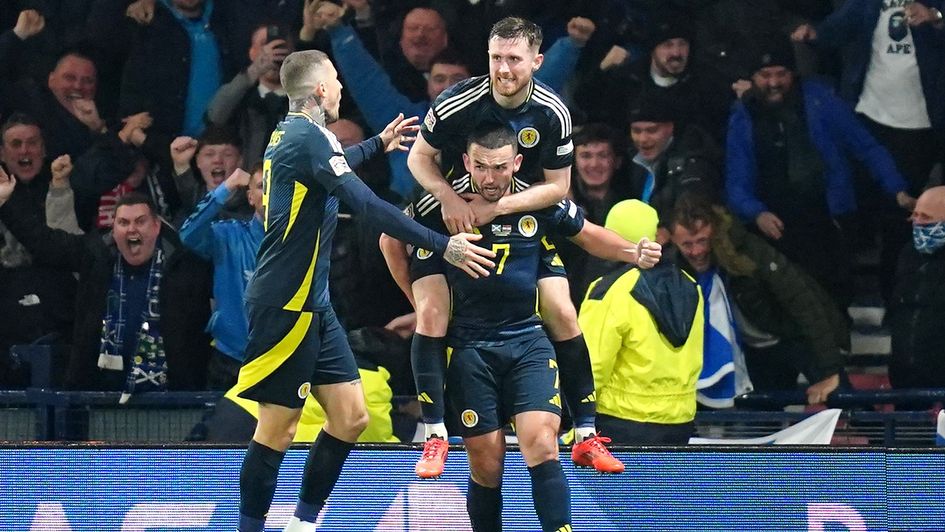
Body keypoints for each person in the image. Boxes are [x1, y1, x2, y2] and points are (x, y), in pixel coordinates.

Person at [235, 49, 494, 532]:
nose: (338, 87)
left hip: (314, 303)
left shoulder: (295, 135)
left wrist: (377, 143)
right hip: (285, 304)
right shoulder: (309, 140)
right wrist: (445, 246)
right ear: (318, 91)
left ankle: (302, 525)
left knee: (351, 417)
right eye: (334, 79)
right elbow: (369, 206)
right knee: (277, 428)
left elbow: (331, 169)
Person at [402, 124, 656, 531]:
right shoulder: (438, 200)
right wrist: (418, 300)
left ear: (516, 163)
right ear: (467, 162)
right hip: (469, 348)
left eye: (500, 167)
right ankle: (436, 437)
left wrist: (632, 252)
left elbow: (587, 235)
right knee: (487, 463)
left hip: (526, 341)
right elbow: (388, 239)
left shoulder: (535, 198)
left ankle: (580, 456)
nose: (490, 178)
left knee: (541, 442)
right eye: (481, 167)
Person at [401, 15, 625, 477]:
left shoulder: (553, 112)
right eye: (496, 58)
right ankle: (435, 434)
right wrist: (447, 199)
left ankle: (585, 434)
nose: (503, 69)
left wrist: (497, 209)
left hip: (520, 211)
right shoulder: (456, 102)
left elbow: (559, 188)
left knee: (563, 311)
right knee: (431, 315)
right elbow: (418, 159)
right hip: (452, 204)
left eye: (514, 59)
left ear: (537, 61)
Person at [726, 39, 914, 310]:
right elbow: (737, 181)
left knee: (833, 298)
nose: (774, 83)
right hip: (776, 227)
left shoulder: (822, 102)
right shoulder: (743, 117)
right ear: (753, 78)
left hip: (828, 221)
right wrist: (756, 212)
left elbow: (866, 147)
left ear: (794, 73)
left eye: (781, 74)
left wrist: (897, 188)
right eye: (765, 75)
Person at [0, 170, 213, 395]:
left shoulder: (186, 264)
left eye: (140, 221)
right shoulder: (96, 255)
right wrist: (6, 202)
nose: (132, 229)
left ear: (156, 226)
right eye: (123, 222)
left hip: (175, 398)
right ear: (114, 228)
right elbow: (46, 243)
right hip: (101, 394)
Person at [792, 1, 944, 305]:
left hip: (919, 126)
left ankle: (896, 299)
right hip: (868, 116)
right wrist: (811, 33)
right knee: (856, 210)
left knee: (900, 222)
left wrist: (936, 17)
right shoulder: (868, 3)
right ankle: (849, 296)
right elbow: (834, 30)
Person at [668, 193, 848, 407]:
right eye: (687, 244)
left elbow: (804, 303)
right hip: (752, 353)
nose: (696, 251)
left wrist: (831, 370)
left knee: (846, 400)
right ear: (673, 240)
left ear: (714, 232)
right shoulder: (671, 270)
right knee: (761, 425)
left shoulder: (750, 252)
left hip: (794, 336)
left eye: (702, 241)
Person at [579, 200, 703, 444]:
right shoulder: (690, 285)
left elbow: (591, 365)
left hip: (618, 421)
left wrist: (577, 423)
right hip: (680, 422)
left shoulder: (608, 290)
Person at [205, 22, 293, 166]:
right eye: (265, 45)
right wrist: (255, 70)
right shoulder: (240, 99)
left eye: (281, 47)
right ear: (252, 53)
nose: (274, 53)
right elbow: (214, 116)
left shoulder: (303, 100)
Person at [888, 186, 945, 390]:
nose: (917, 222)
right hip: (906, 380)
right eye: (915, 215)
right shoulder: (908, 253)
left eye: (926, 217)